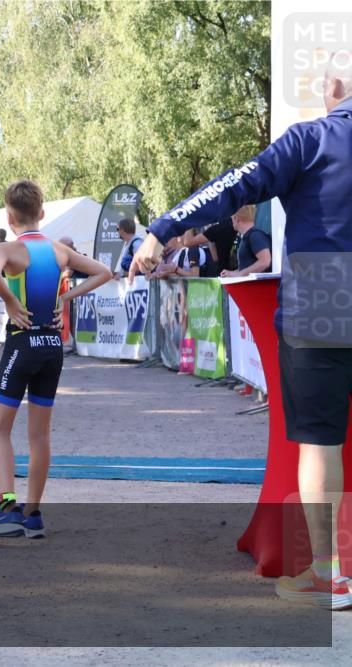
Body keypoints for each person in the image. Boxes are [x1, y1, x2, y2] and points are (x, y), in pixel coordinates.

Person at [129, 51, 352, 610]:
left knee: (321, 441)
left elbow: (237, 183)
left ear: (336, 84)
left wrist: (164, 227)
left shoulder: (311, 139)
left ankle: (328, 576)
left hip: (322, 298)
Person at [0, 179, 111, 539]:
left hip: (22, 344)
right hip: (52, 347)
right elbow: (104, 272)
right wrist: (66, 299)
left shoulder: (9, 249)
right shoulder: (57, 250)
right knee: (40, 435)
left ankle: (6, 508)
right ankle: (33, 514)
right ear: (42, 213)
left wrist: (11, 303)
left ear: (9, 215)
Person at [222, 204, 271, 277]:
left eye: (231, 219)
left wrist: (239, 274)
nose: (231, 222)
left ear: (236, 218)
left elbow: (265, 261)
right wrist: (232, 273)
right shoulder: (249, 236)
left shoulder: (255, 235)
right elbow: (248, 266)